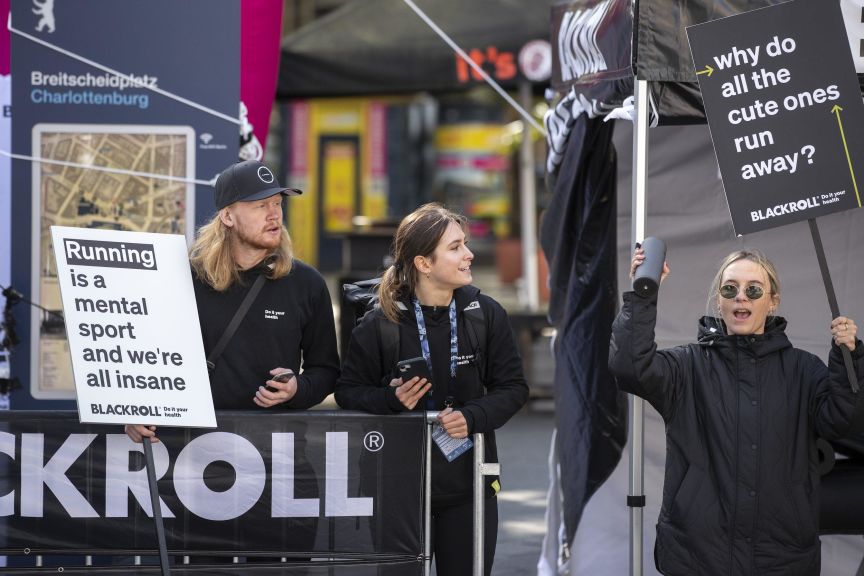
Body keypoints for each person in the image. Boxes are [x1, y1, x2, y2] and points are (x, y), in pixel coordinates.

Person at [124, 159, 340, 562]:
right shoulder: (181, 279)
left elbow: (328, 371)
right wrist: (134, 409)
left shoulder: (306, 283)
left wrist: (297, 389)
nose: (275, 213)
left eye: (277, 202)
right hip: (193, 467)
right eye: (260, 205)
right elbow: (141, 360)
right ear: (227, 215)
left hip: (280, 468)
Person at [609, 247, 864, 575]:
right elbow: (629, 366)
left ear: (772, 301)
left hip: (781, 557)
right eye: (730, 288)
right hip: (697, 556)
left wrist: (850, 361)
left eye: (753, 289)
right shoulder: (688, 366)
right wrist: (643, 294)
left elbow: (844, 420)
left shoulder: (804, 370)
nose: (741, 297)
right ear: (719, 300)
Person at [335, 203, 529, 576]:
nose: (469, 254)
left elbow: (513, 389)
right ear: (424, 263)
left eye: (465, 244)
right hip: (397, 488)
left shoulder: (485, 314)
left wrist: (472, 417)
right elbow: (348, 392)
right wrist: (391, 399)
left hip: (469, 487)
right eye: (455, 247)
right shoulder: (381, 321)